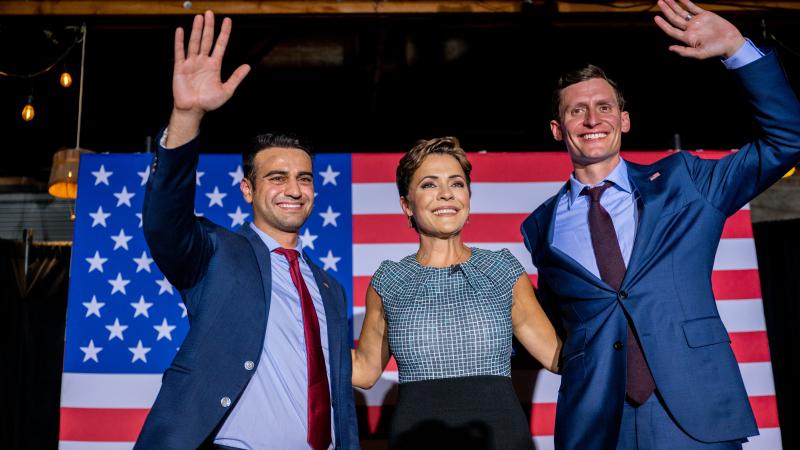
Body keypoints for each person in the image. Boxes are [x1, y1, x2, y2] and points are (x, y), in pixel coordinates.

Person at [520, 0, 800, 449]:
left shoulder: (685, 181)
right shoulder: (541, 227)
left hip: (694, 412)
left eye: (604, 107)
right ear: (558, 129)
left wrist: (736, 49)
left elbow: (787, 140)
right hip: (597, 424)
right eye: (577, 111)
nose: (593, 120)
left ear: (624, 120)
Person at [135, 11, 359, 450]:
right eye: (277, 177)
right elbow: (164, 221)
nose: (294, 189)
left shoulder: (330, 289)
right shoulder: (217, 251)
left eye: (304, 178)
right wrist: (187, 115)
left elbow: (339, 400)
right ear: (247, 189)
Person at [352, 137, 562, 450]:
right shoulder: (389, 281)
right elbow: (366, 371)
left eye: (457, 183)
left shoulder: (502, 270)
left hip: (501, 438)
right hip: (417, 440)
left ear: (468, 196)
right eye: (429, 185)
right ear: (406, 204)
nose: (446, 194)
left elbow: (557, 357)